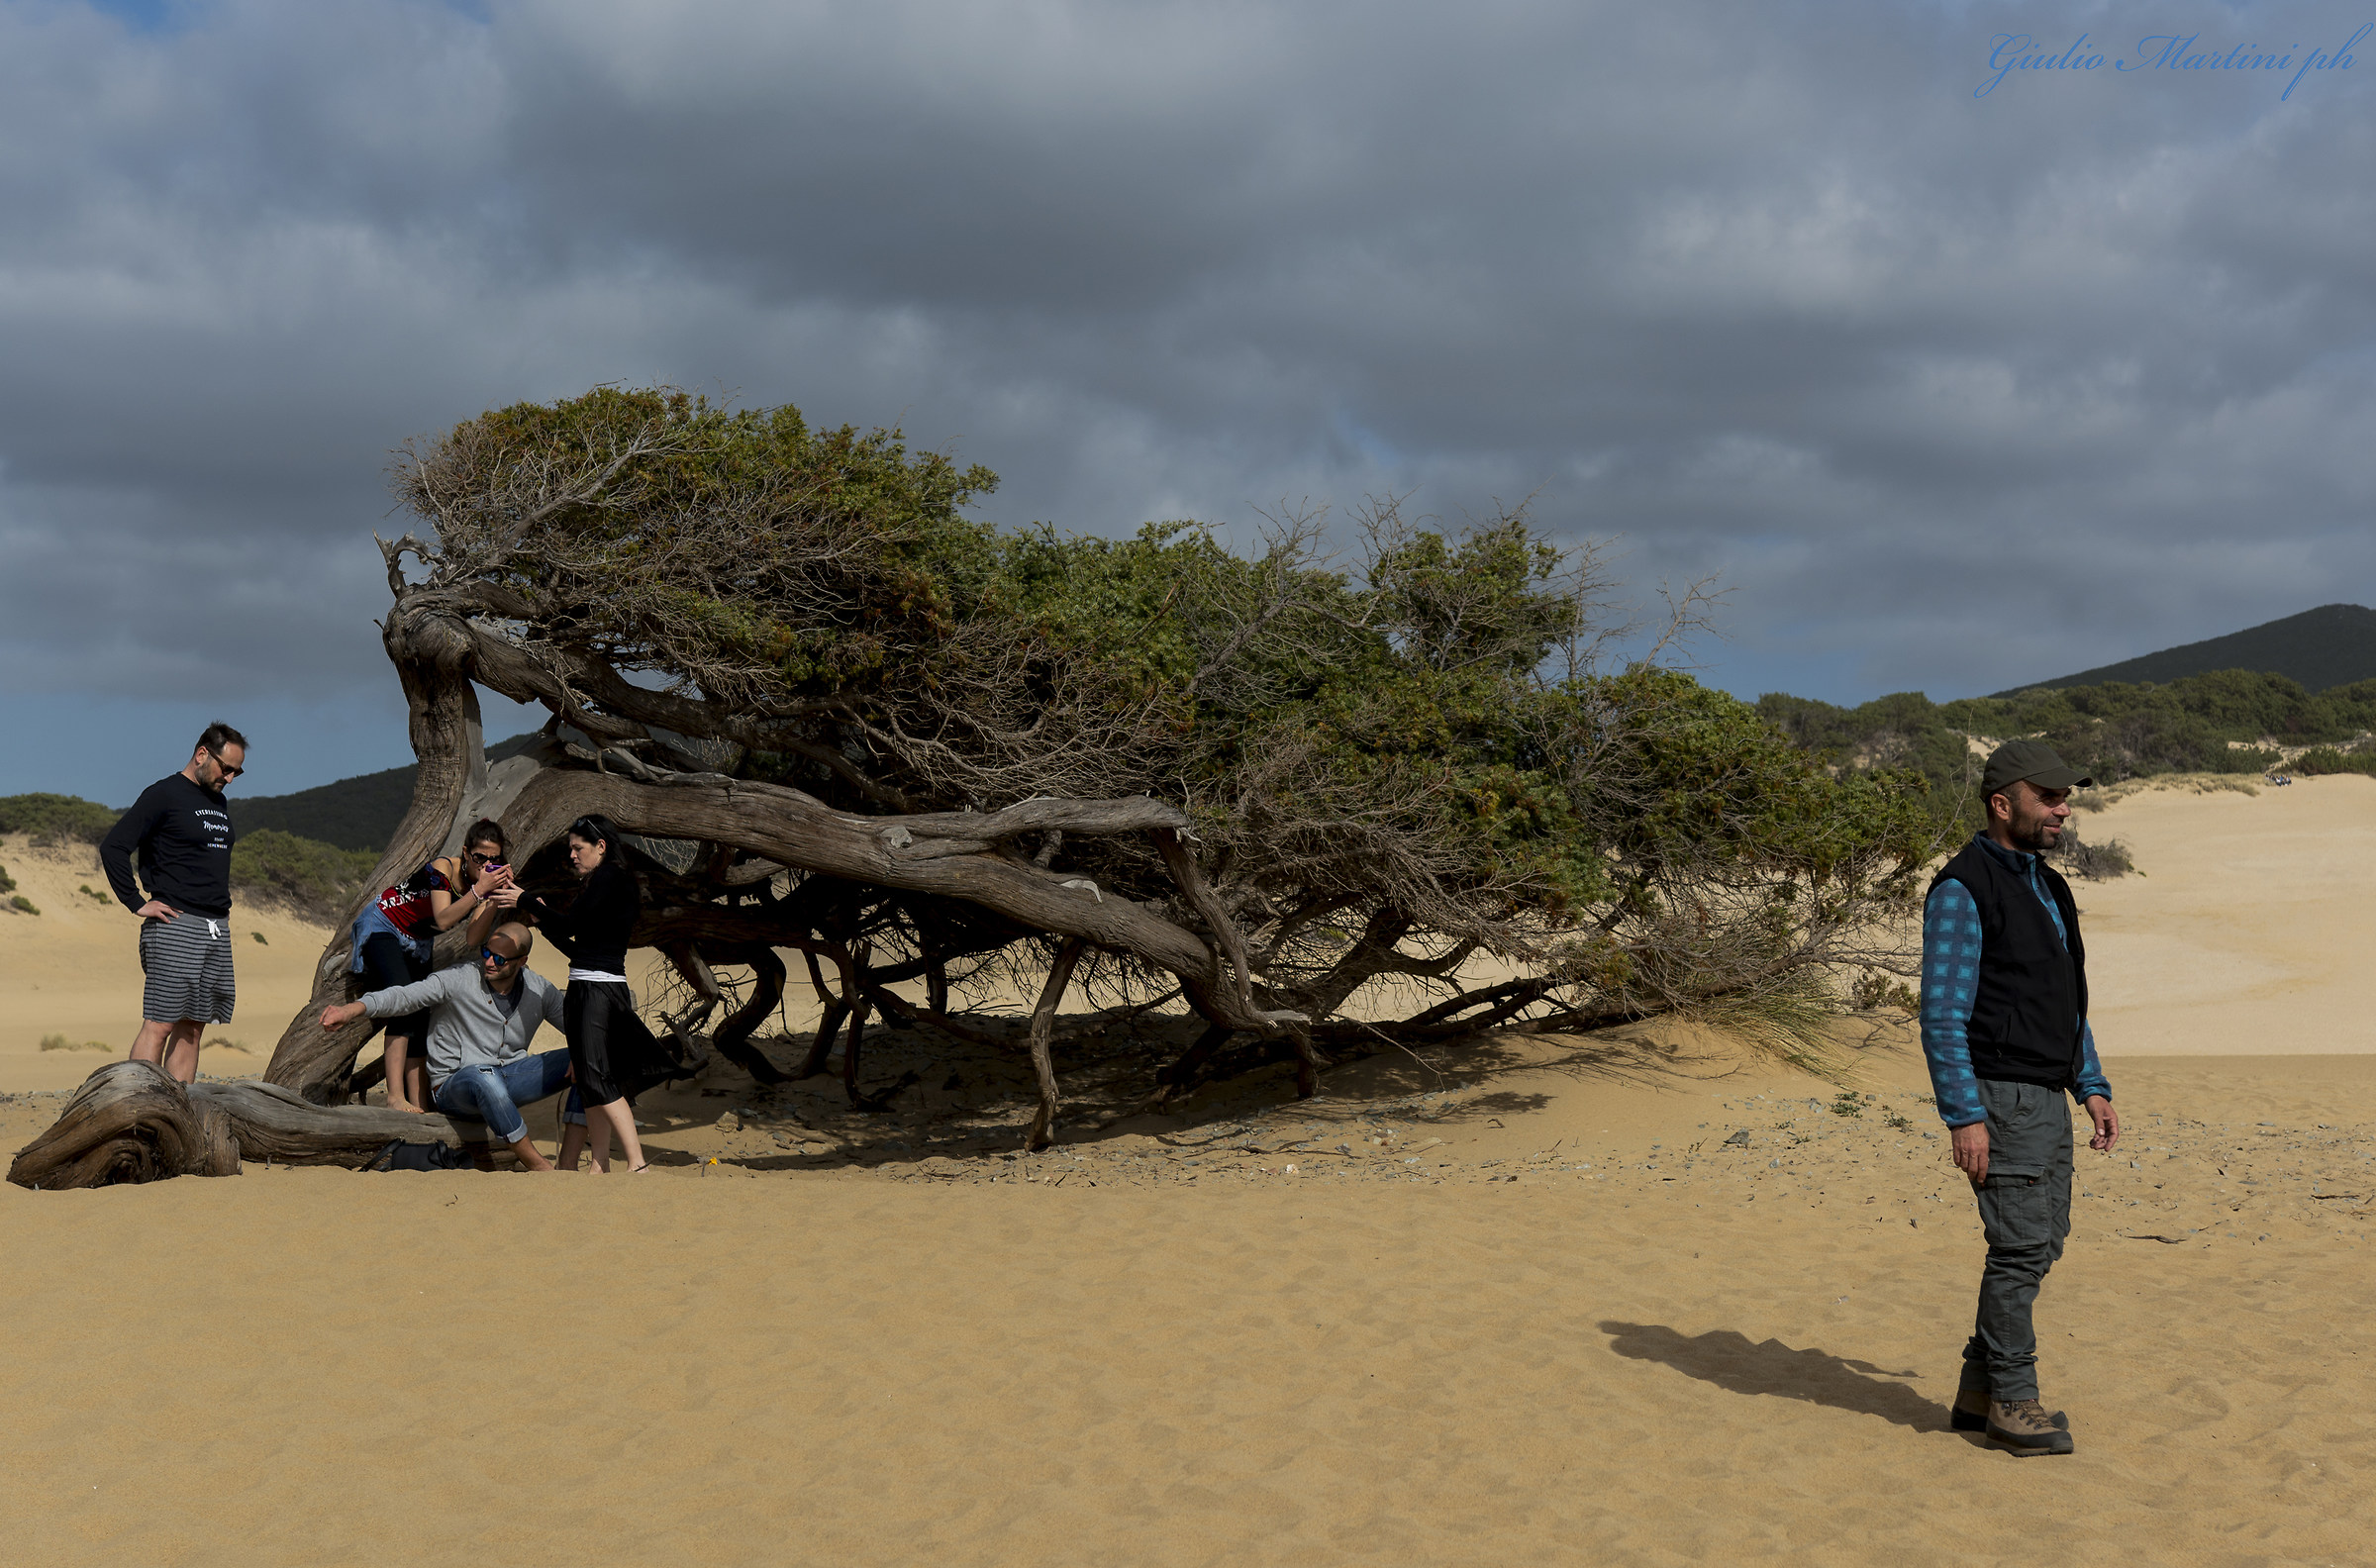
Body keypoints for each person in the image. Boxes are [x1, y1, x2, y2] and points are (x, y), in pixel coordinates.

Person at [1921, 739, 2121, 1456]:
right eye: (2050, 798)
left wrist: (2089, 1083)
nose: (2064, 810)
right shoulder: (1962, 888)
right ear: (2003, 804)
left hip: (2047, 1094)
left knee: (2042, 1241)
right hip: (1999, 1097)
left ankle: (1979, 1392)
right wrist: (1964, 1114)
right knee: (2020, 1249)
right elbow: (1942, 1013)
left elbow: (2065, 1002)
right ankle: (2014, 1401)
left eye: (2067, 798)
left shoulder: (2046, 884)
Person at [318, 922, 579, 1171]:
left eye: (500, 959)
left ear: (522, 962)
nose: (489, 962)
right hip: (454, 1086)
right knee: (484, 1077)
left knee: (591, 1058)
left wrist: (583, 1053)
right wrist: (352, 1009)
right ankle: (538, 1165)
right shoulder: (460, 979)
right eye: (486, 952)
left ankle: (567, 1162)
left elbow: (578, 1027)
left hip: (510, 1077)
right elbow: (404, 996)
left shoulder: (539, 990)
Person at [513, 814, 684, 1173]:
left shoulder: (610, 877)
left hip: (598, 990)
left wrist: (527, 900)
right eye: (570, 849)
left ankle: (637, 1164)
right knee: (589, 1080)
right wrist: (543, 920)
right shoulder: (601, 882)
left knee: (596, 1076)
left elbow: (573, 927)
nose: (572, 855)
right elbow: (580, 948)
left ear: (600, 847)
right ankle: (600, 1163)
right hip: (586, 984)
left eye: (579, 848)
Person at [98, 723, 248, 1084]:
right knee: (161, 1023)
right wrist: (136, 902)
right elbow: (114, 846)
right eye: (224, 768)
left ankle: (178, 1110)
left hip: (215, 927)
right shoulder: (163, 794)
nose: (229, 778)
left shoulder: (218, 800)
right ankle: (137, 1107)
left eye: (236, 772)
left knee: (194, 1027)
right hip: (175, 924)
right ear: (201, 754)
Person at [348, 819, 518, 1113]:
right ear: (466, 853)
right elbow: (442, 918)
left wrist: (493, 899)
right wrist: (479, 892)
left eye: (494, 859)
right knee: (402, 1001)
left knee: (420, 1014)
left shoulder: (482, 886)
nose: (486, 864)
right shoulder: (443, 869)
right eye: (480, 858)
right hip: (385, 924)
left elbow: (472, 936)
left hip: (419, 940)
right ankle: (394, 1096)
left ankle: (418, 1101)